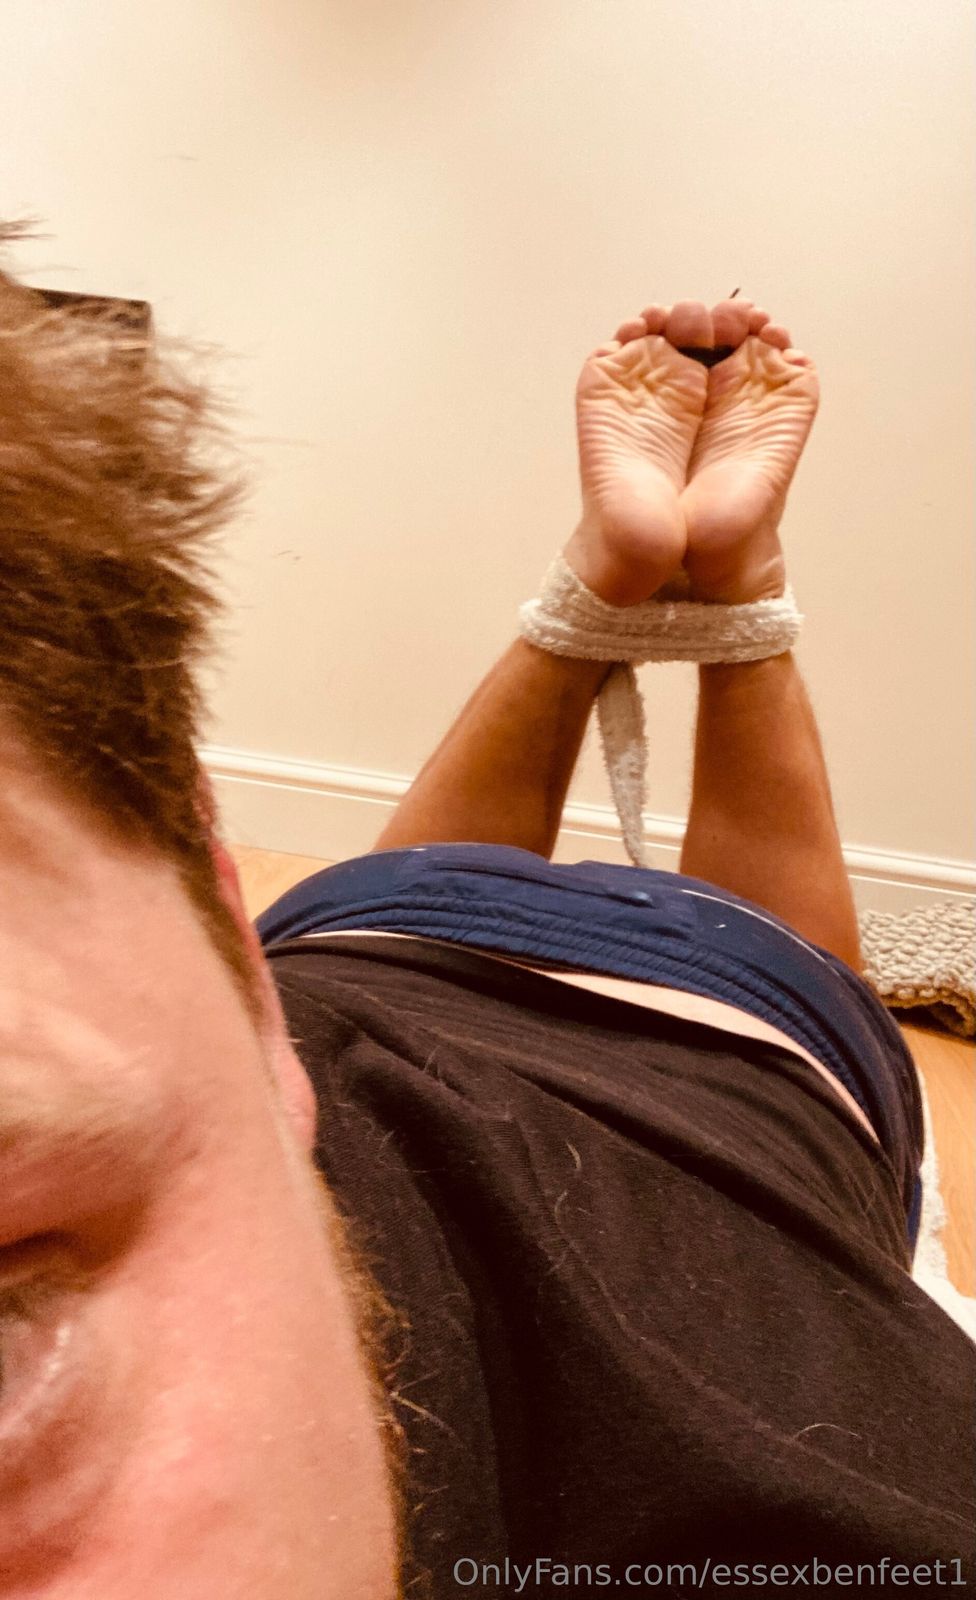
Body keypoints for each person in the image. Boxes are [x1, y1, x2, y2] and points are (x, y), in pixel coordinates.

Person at [0, 216, 972, 1598]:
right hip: (397, 949)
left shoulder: (827, 1493)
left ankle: (676, 583)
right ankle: (675, 583)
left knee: (766, 986)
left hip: (699, 1033)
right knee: (520, 943)